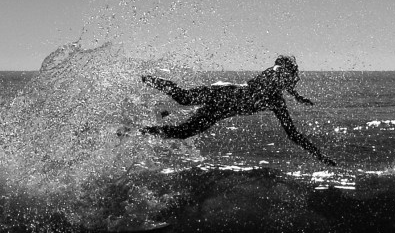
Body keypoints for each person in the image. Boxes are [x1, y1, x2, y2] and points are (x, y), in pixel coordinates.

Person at [140, 55, 336, 166]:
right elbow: (277, 72)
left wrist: (318, 155)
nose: (291, 80)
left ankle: (143, 130)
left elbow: (293, 134)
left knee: (183, 133)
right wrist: (292, 88)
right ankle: (149, 79)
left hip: (219, 112)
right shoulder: (272, 74)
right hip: (222, 92)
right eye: (290, 75)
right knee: (183, 98)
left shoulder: (277, 102)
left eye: (292, 77)